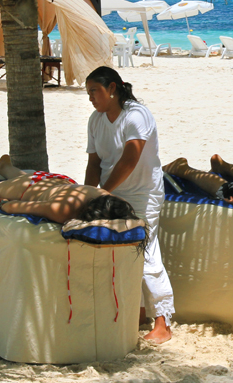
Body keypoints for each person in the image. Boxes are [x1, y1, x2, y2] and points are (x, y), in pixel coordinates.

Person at [84, 66, 174, 344]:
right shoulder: (96, 120)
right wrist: (88, 194)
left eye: (94, 91)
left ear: (112, 88)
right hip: (111, 194)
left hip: (143, 194)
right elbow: (94, 163)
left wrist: (103, 191)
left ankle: (163, 322)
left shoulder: (136, 115)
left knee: (146, 251)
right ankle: (138, 312)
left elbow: (130, 159)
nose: (90, 98)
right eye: (88, 93)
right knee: (121, 252)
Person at [0, 156, 137, 224]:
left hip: (57, 180)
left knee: (27, 180)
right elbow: (19, 207)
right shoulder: (64, 210)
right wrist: (2, 203)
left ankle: (5, 167)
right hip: (31, 186)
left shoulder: (107, 197)